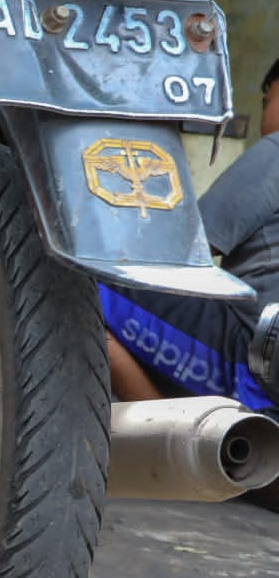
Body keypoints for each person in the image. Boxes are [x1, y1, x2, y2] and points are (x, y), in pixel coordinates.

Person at [101, 57, 279, 416]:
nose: (263, 118)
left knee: (77, 275)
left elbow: (185, 247)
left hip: (258, 357)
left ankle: (172, 437)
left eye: (267, 101)